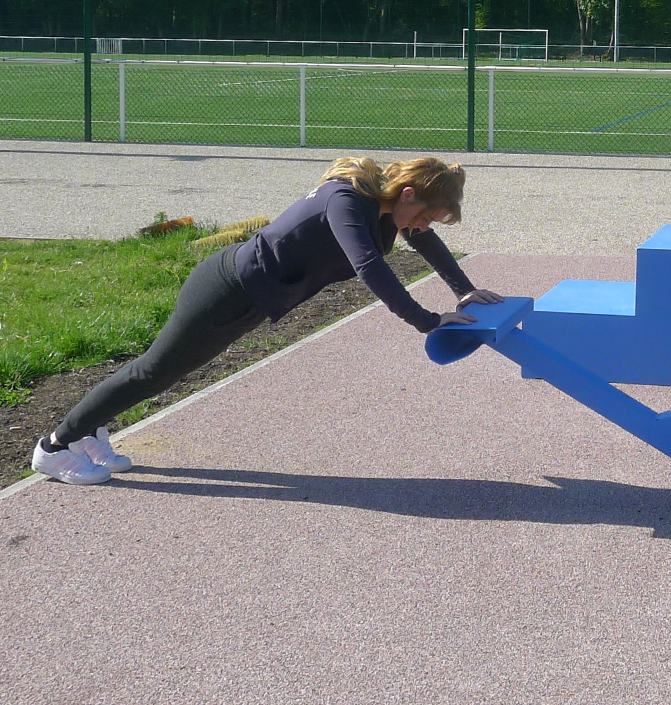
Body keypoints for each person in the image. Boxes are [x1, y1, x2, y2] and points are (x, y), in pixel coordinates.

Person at [32, 155, 504, 485]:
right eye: (425, 217)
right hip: (226, 289)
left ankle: (90, 432)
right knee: (155, 371)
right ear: (407, 194)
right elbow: (369, 267)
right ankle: (54, 447)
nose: (422, 229)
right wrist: (427, 321)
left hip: (251, 298)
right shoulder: (349, 201)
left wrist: (462, 289)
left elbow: (422, 243)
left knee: (162, 371)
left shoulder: (386, 211)